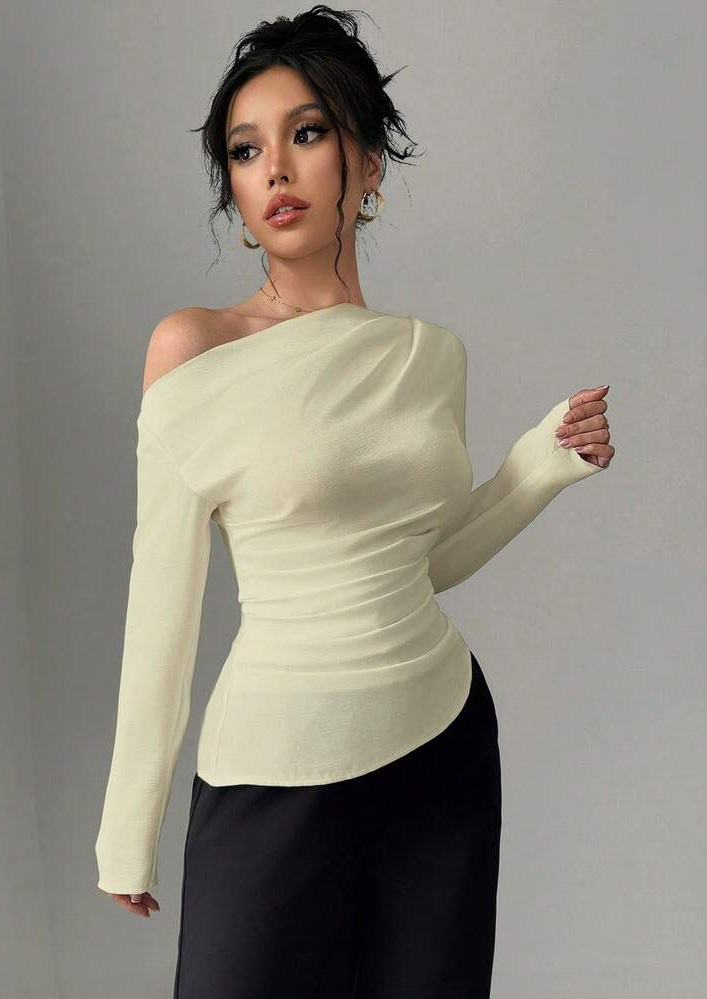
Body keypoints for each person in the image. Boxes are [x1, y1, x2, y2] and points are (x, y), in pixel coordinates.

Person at [94, 7, 615, 997]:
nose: (276, 170)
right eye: (246, 150)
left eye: (307, 132)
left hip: (440, 747)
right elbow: (161, 599)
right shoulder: (193, 349)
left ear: (367, 163)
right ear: (233, 188)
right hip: (273, 770)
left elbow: (421, 562)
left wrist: (538, 465)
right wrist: (130, 824)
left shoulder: (429, 355)